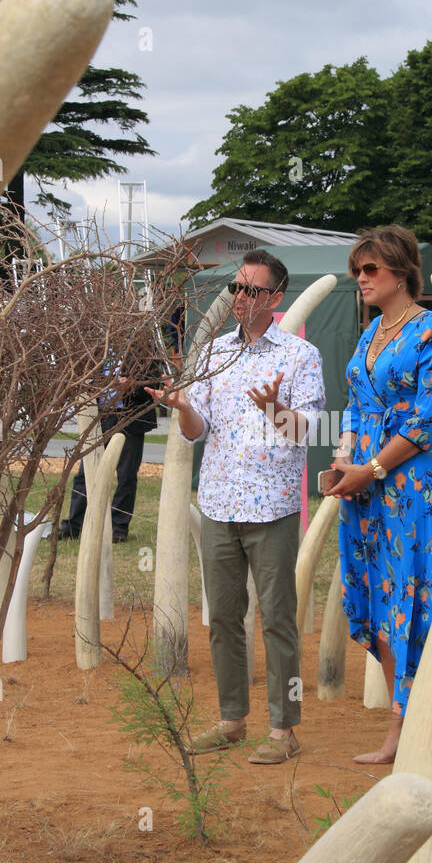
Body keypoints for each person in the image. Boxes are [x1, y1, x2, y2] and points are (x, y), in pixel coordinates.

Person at [150, 250, 325, 764]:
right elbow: (197, 431)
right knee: (224, 618)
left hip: (272, 508)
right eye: (236, 288)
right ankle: (232, 721)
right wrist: (183, 409)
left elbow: (308, 433)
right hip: (219, 504)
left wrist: (274, 409)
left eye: (252, 290)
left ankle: (284, 730)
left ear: (277, 298)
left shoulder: (299, 357)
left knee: (277, 619)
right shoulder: (214, 355)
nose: (240, 298)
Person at [328, 225, 432, 764]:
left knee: (417, 603)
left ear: (401, 272)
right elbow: (360, 406)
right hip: (364, 489)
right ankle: (400, 730)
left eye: (370, 270)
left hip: (411, 491)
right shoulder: (370, 334)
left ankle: (429, 725)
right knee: (379, 602)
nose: (361, 279)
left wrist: (374, 468)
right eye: (357, 271)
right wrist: (345, 464)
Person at [58, 355, 160, 544]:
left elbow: (155, 380)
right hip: (101, 416)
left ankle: (118, 528)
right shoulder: (97, 345)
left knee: (126, 475)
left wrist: (132, 385)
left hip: (131, 416)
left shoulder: (142, 344)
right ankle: (74, 526)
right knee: (86, 472)